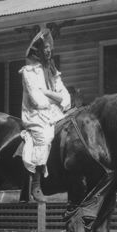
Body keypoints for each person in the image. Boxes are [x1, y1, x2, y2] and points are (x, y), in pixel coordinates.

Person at [19, 27, 71, 202]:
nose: (48, 51)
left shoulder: (52, 71)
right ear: (38, 51)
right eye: (45, 49)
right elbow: (37, 100)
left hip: (54, 112)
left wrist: (50, 94)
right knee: (45, 136)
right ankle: (36, 183)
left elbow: (66, 98)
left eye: (50, 48)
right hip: (36, 115)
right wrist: (55, 98)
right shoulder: (29, 71)